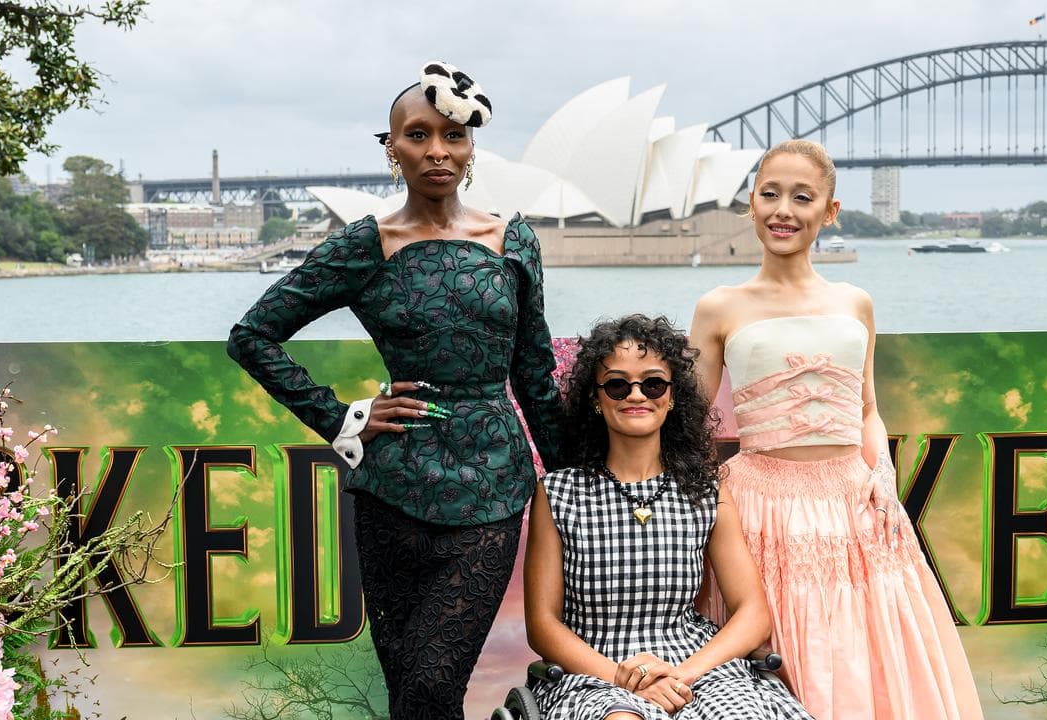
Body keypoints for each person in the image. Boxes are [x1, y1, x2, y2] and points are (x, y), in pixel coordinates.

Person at [226, 60, 563, 720]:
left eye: (453, 136)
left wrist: (580, 478)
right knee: (413, 691)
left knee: (432, 685)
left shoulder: (512, 242)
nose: (437, 150)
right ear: (391, 148)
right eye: (418, 134)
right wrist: (342, 417)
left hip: (490, 488)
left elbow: (535, 377)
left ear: (471, 149)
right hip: (389, 491)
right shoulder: (366, 246)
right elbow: (253, 336)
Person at [689, 140, 984, 719]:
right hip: (761, 506)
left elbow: (869, 408)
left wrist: (883, 474)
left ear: (829, 211)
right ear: (750, 203)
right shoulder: (719, 306)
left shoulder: (856, 302)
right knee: (784, 652)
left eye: (803, 197)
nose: (783, 210)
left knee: (868, 656)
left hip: (856, 503)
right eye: (769, 194)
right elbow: (692, 422)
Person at [523, 315, 812, 720]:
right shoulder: (557, 492)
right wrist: (625, 679)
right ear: (595, 397)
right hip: (594, 670)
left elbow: (752, 613)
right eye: (618, 384)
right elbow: (542, 625)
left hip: (696, 665)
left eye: (653, 383)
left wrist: (680, 676)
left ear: (673, 396)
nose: (636, 395)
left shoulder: (706, 489)